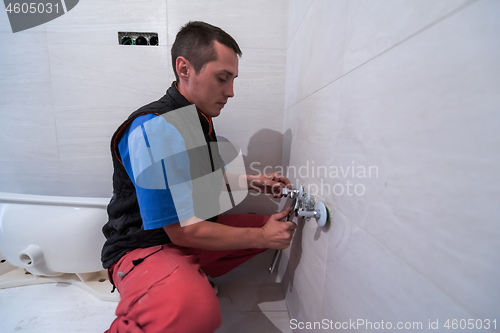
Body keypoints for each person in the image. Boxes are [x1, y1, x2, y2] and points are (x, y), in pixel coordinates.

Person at [101, 21, 296, 333]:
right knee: (194, 311)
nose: (231, 92)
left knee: (272, 227)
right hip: (142, 247)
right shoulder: (156, 126)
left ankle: (184, 276)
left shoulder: (196, 119)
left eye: (233, 80)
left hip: (177, 239)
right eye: (222, 78)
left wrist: (252, 180)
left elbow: (197, 181)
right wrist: (262, 237)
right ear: (185, 68)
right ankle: (168, 287)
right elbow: (180, 231)